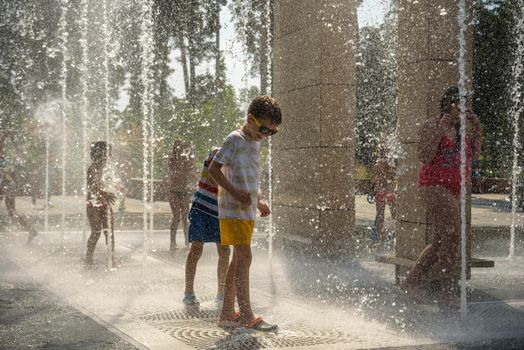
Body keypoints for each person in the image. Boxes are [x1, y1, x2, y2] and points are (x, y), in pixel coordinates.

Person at [401, 86, 481, 309]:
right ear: (450, 104)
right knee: (454, 234)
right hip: (433, 186)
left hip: (453, 189)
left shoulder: (462, 130)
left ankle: (410, 284)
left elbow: (474, 158)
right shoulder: (432, 124)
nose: (466, 109)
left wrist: (477, 130)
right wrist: (440, 130)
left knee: (438, 242)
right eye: (462, 104)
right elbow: (424, 156)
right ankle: (447, 292)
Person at [210, 95, 281, 331]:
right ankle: (246, 314)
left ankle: (227, 313)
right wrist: (234, 191)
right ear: (250, 119)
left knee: (237, 260)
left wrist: (258, 200)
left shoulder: (254, 142)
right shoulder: (235, 139)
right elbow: (214, 169)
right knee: (245, 257)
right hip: (233, 209)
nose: (266, 135)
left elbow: (248, 177)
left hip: (246, 210)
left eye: (272, 132)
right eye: (263, 129)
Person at [183, 148, 231, 308]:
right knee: (196, 248)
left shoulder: (237, 159)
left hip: (220, 211)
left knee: (224, 250)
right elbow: (214, 175)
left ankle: (222, 293)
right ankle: (188, 292)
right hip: (201, 208)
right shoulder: (217, 153)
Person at [0, 129, 38, 243]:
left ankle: (31, 230)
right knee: (12, 212)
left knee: (12, 212)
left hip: (5, 184)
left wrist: (5, 137)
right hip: (8, 184)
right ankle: (31, 230)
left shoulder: (3, 156)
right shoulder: (5, 157)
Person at [85, 141, 116, 268]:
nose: (108, 155)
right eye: (106, 152)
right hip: (93, 203)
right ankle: (88, 258)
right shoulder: (93, 168)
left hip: (104, 203)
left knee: (110, 232)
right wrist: (106, 194)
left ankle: (111, 258)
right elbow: (92, 188)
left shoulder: (105, 168)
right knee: (96, 231)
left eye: (108, 152)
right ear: (99, 153)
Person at [168, 140, 195, 250]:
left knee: (185, 218)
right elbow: (174, 170)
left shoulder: (185, 159)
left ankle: (187, 242)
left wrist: (191, 155)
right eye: (177, 146)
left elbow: (191, 169)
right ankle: (172, 242)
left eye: (180, 146)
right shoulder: (171, 160)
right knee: (176, 218)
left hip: (184, 192)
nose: (179, 148)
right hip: (174, 192)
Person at [371, 146, 397, 241]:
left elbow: (373, 180)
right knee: (395, 215)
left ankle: (380, 236)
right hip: (390, 192)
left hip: (380, 191)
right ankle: (396, 235)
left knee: (380, 215)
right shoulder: (392, 165)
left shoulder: (376, 165)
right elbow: (393, 178)